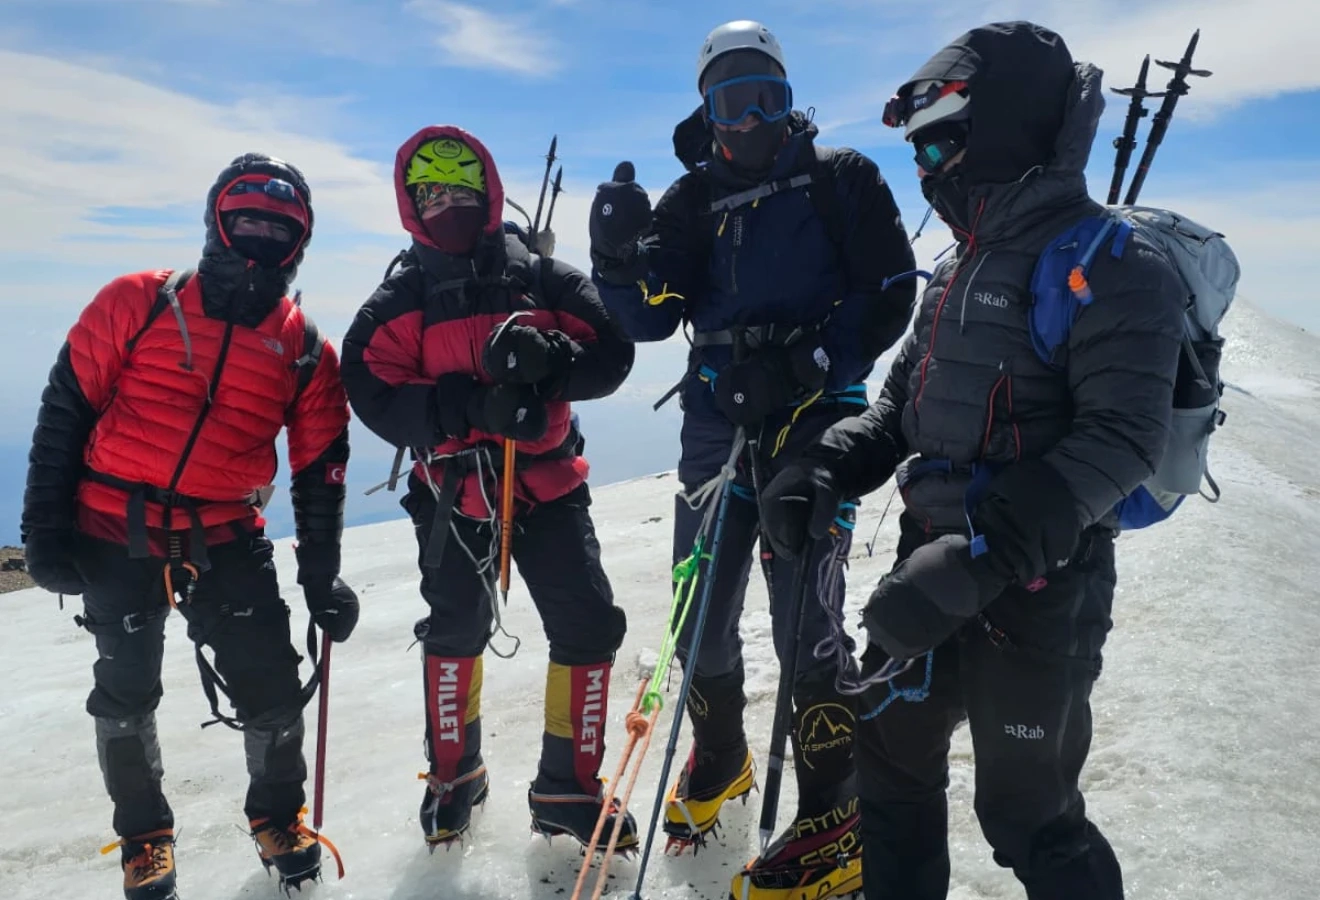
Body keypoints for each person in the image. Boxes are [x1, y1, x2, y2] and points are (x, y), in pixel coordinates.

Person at [759, 21, 1188, 900]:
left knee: (1029, 814)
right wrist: (826, 468)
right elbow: (899, 409)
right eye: (919, 148)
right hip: (928, 569)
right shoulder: (957, 269)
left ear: (1008, 130)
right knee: (891, 771)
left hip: (1039, 589)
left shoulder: (1116, 264)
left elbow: (1124, 437)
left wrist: (979, 559)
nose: (928, 168)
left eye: (944, 141)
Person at [587, 19, 917, 900]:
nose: (750, 119)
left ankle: (832, 811)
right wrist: (614, 262)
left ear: (787, 98)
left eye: (765, 96)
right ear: (708, 111)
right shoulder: (690, 201)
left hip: (819, 417)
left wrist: (806, 364)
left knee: (804, 612)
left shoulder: (841, 179)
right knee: (700, 608)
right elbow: (652, 311)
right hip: (717, 418)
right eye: (731, 102)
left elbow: (887, 296)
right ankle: (726, 753)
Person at [20, 153, 358, 900]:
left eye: (279, 230)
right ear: (217, 222)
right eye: (247, 224)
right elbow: (65, 410)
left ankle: (277, 817)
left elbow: (319, 471)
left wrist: (320, 573)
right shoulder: (137, 300)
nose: (259, 240)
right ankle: (145, 838)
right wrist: (44, 528)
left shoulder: (305, 349)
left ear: (298, 244)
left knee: (270, 684)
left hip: (225, 531)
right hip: (111, 526)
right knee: (126, 691)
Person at [339, 125, 638, 854]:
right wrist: (470, 408)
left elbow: (613, 349)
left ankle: (567, 788)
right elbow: (370, 385)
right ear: (411, 206)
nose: (446, 205)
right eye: (430, 193)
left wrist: (550, 361)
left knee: (588, 626)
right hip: (455, 497)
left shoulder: (537, 277)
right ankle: (455, 776)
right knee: (454, 632)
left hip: (546, 487)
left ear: (487, 191)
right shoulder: (404, 294)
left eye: (459, 191)